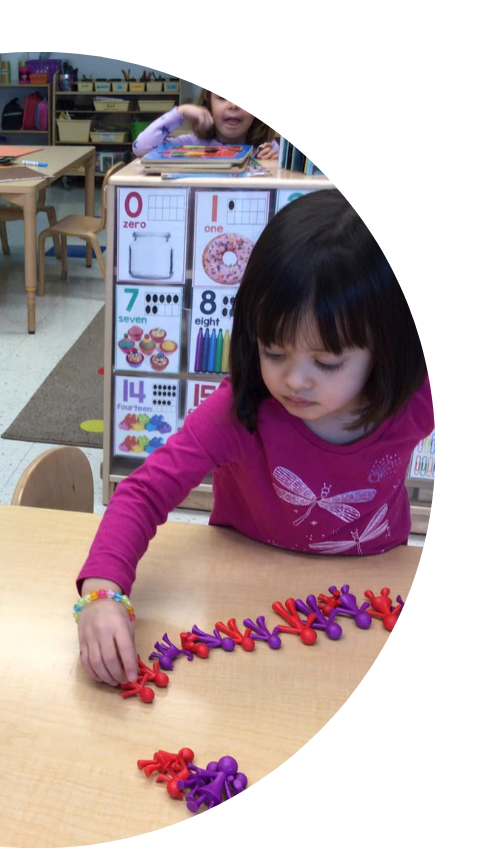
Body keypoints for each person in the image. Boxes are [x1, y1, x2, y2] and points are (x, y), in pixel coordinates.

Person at [75, 190, 432, 687]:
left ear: (388, 348)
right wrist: (102, 594)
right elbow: (142, 491)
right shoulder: (239, 411)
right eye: (273, 350)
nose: (295, 380)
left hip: (369, 592)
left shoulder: (415, 398)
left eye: (327, 362)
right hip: (244, 603)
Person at [133, 88, 279, 159]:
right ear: (208, 105)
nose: (233, 105)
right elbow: (140, 147)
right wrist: (180, 113)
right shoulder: (190, 145)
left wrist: (274, 163)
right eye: (222, 97)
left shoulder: (267, 148)